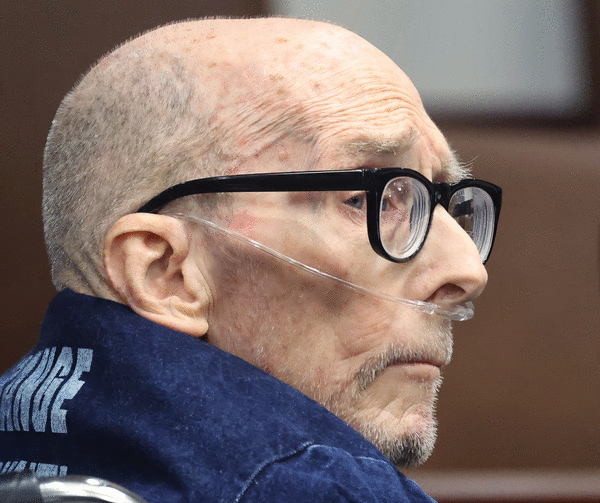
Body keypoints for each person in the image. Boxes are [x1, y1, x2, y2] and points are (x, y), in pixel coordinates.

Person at [0, 17, 501, 502]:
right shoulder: (312, 487)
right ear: (166, 274)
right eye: (369, 199)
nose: (468, 269)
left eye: (445, 200)